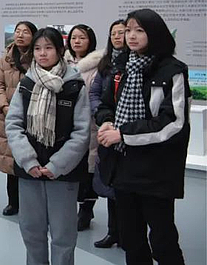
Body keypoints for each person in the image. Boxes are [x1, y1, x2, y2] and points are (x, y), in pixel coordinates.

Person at [95, 9, 190, 265]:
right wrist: (106, 121)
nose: (131, 36)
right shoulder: (121, 66)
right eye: (128, 30)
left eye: (139, 30)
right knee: (132, 239)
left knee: (163, 239)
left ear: (155, 33)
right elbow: (106, 105)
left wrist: (122, 134)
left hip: (156, 169)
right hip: (123, 166)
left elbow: (174, 123)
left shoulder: (172, 70)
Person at [6, 27, 90, 265]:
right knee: (31, 230)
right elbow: (13, 125)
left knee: (63, 234)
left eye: (48, 48)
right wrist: (28, 161)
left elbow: (82, 132)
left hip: (62, 173)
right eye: (37, 48)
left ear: (60, 51)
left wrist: (57, 165)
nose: (42, 53)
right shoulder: (26, 83)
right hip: (30, 171)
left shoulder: (74, 85)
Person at [89, 20, 127, 249]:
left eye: (122, 32)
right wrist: (103, 116)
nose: (117, 37)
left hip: (128, 133)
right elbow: (95, 93)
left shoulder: (136, 64)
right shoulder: (106, 64)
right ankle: (114, 232)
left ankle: (130, 236)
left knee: (128, 190)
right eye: (113, 33)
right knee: (111, 186)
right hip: (107, 128)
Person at [0, 21, 37, 216]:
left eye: (25, 32)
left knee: (31, 157)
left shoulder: (38, 57)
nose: (20, 35)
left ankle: (32, 204)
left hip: (33, 115)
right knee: (11, 159)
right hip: (9, 114)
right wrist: (4, 106)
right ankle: (13, 202)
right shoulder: (7, 57)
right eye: (18, 31)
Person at [63, 24, 102, 231]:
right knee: (71, 165)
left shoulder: (99, 64)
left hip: (90, 122)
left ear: (90, 40)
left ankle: (86, 209)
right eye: (74, 37)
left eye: (82, 38)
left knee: (89, 168)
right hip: (67, 122)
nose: (77, 41)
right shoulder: (63, 62)